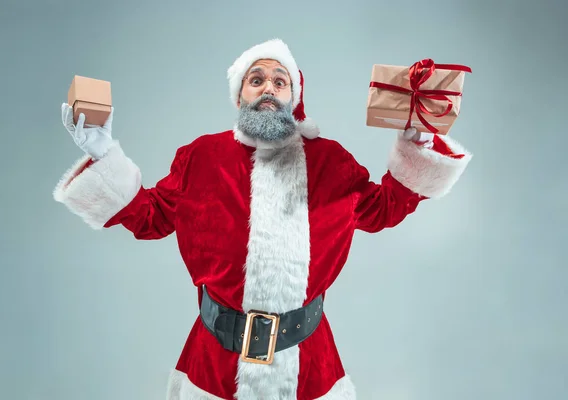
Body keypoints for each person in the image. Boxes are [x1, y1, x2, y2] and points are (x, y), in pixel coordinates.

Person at [53, 38, 472, 400]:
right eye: (256, 80)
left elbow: (384, 208)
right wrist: (103, 153)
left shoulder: (331, 162)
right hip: (214, 364)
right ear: (239, 97)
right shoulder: (200, 157)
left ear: (294, 96)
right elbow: (150, 217)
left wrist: (417, 138)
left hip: (309, 365)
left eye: (279, 80)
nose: (268, 87)